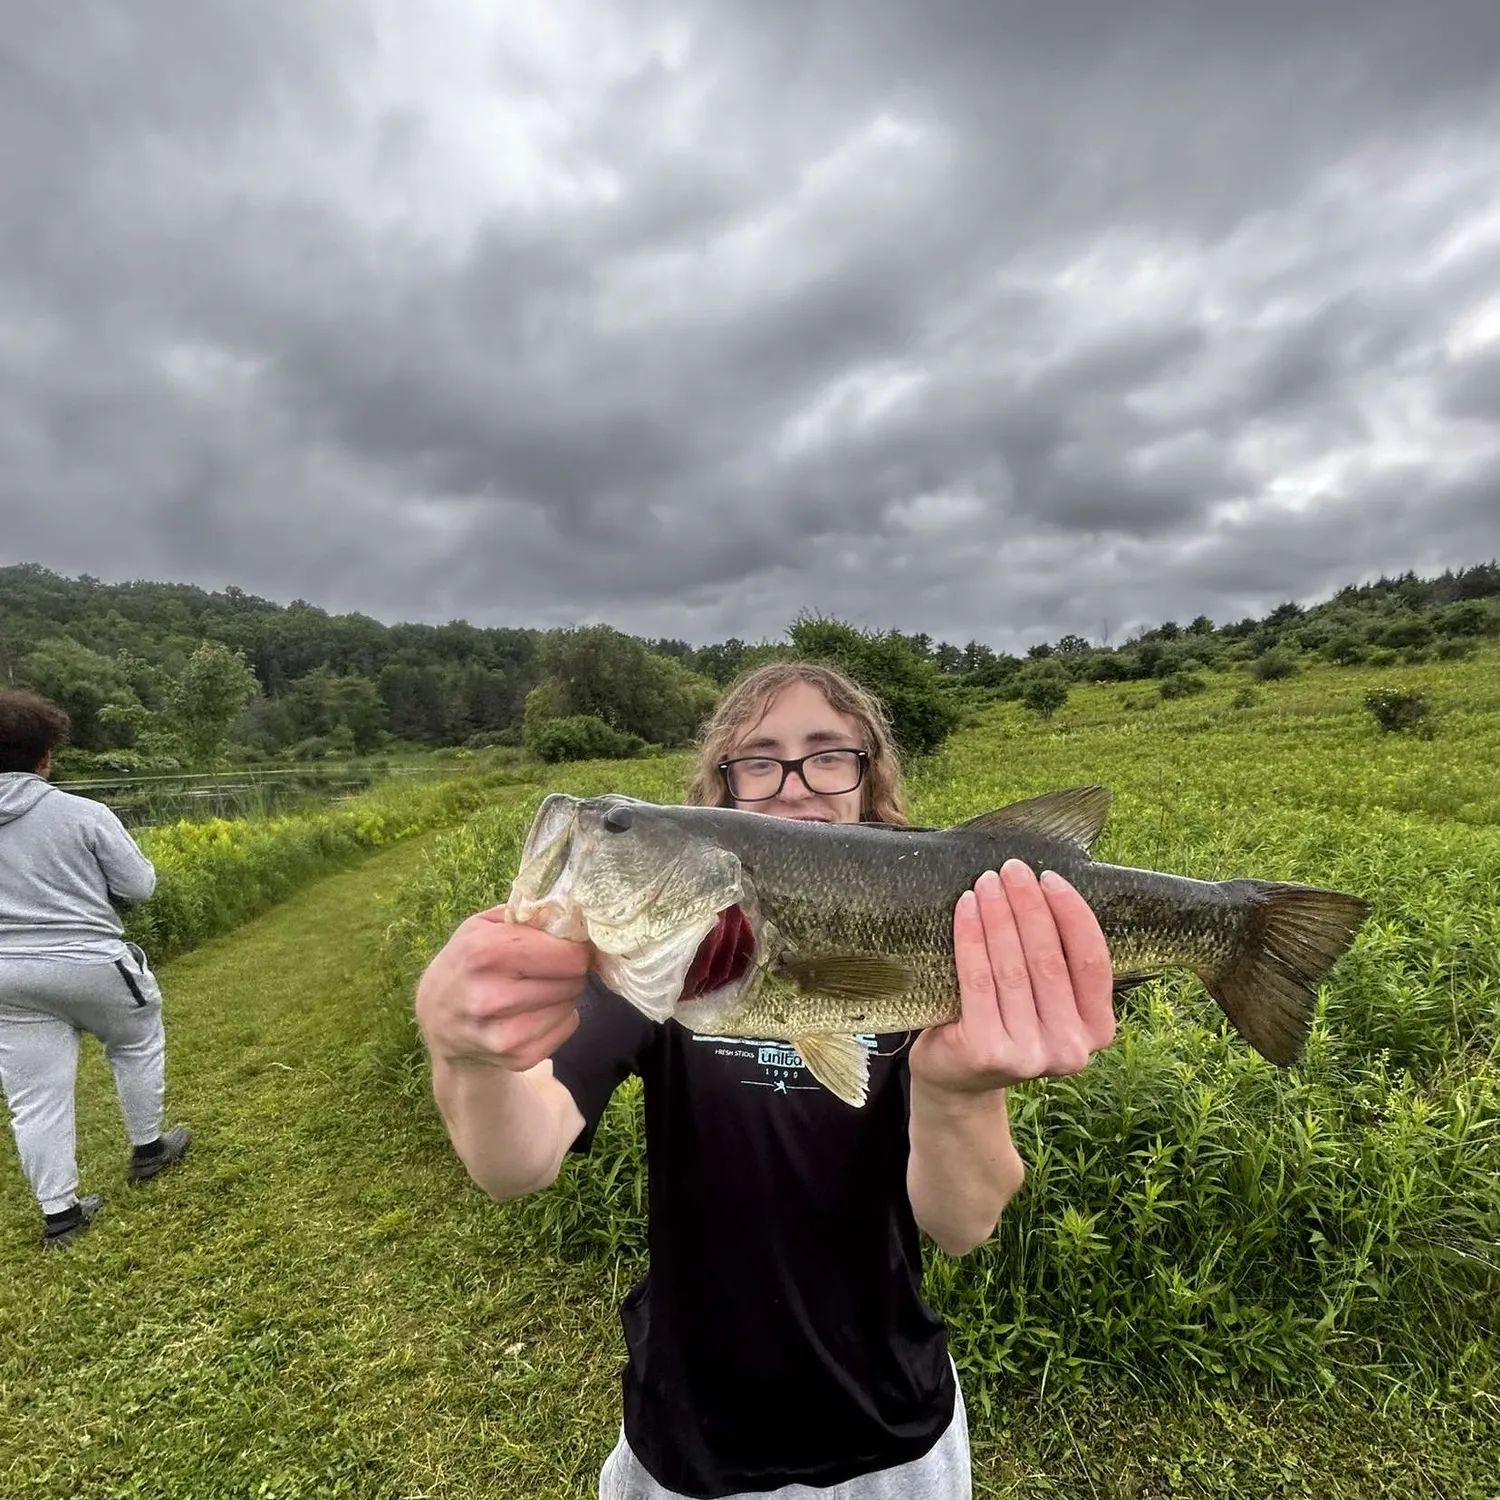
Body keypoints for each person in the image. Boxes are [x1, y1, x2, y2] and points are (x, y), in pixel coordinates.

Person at [415, 660, 1117, 1499]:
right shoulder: (660, 973)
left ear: (869, 777)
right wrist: (466, 1053)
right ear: (721, 796)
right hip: (691, 1435)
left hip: (891, 1427)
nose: (795, 788)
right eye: (759, 761)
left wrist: (957, 1087)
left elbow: (962, 1226)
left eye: (828, 756)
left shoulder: (942, 927)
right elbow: (514, 1162)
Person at [0, 690, 191, 1251]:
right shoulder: (84, 814)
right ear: (45, 758)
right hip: (92, 962)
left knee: (34, 1096)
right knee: (134, 1043)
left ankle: (61, 1215)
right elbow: (141, 887)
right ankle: (148, 1148)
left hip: (7, 977)